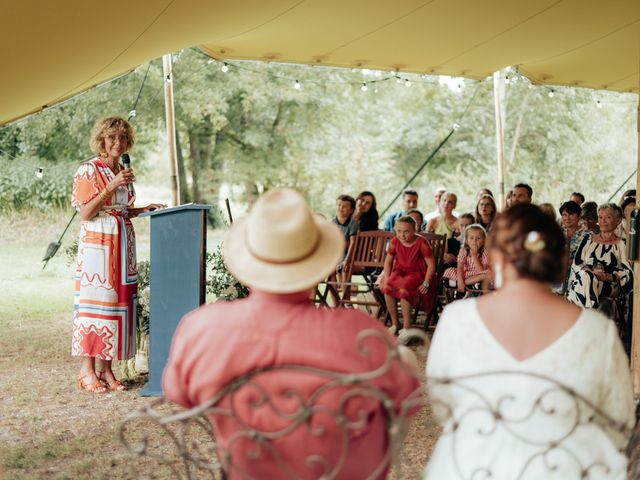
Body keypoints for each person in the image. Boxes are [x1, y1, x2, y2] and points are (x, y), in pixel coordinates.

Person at [163, 188, 420, 479]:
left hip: (248, 471)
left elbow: (177, 392)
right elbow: (405, 396)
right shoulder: (360, 333)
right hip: (344, 473)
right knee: (405, 359)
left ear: (249, 261)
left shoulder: (204, 327)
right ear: (316, 262)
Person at [425, 203, 634, 479]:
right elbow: (619, 422)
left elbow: (445, 405)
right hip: (569, 468)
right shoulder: (598, 330)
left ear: (497, 259)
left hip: (474, 467)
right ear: (560, 259)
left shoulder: (456, 319)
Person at [72, 116, 165, 393]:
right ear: (102, 140)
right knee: (96, 305)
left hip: (122, 247)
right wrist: (111, 186)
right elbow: (86, 213)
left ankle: (106, 369)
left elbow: (119, 209)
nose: (117, 142)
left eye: (122, 138)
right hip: (97, 246)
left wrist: (142, 209)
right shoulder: (88, 170)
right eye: (112, 137)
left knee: (116, 306)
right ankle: (87, 369)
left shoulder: (124, 171)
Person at [381, 216, 436, 345]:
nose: (402, 235)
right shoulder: (395, 241)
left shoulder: (422, 243)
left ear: (415, 230)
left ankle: (407, 328)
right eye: (399, 231)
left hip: (417, 273)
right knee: (387, 288)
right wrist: (387, 278)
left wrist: (426, 282)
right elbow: (388, 262)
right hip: (400, 271)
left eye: (406, 231)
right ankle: (396, 324)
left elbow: (431, 265)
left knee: (404, 289)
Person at [567, 203, 633, 309]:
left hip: (608, 284)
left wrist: (609, 276)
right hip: (585, 278)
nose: (603, 221)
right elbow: (577, 263)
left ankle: (586, 316)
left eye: (608, 217)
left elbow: (628, 273)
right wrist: (591, 273)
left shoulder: (622, 244)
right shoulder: (588, 239)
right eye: (600, 217)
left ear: (618, 220)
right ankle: (591, 313)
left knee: (583, 283)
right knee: (585, 277)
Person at [443, 224, 490, 293]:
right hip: (465, 274)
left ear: (484, 240)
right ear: (467, 241)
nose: (474, 241)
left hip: (478, 275)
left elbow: (481, 271)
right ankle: (471, 284)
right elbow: (460, 268)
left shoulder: (485, 251)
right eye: (471, 238)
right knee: (449, 271)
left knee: (487, 274)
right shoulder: (463, 250)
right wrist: (460, 281)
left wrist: (474, 256)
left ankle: (456, 283)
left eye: (478, 238)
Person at [559, 200, 590, 293]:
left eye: (571, 214)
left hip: (578, 278)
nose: (567, 218)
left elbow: (588, 259)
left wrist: (570, 262)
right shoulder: (556, 233)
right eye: (564, 215)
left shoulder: (588, 235)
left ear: (579, 215)